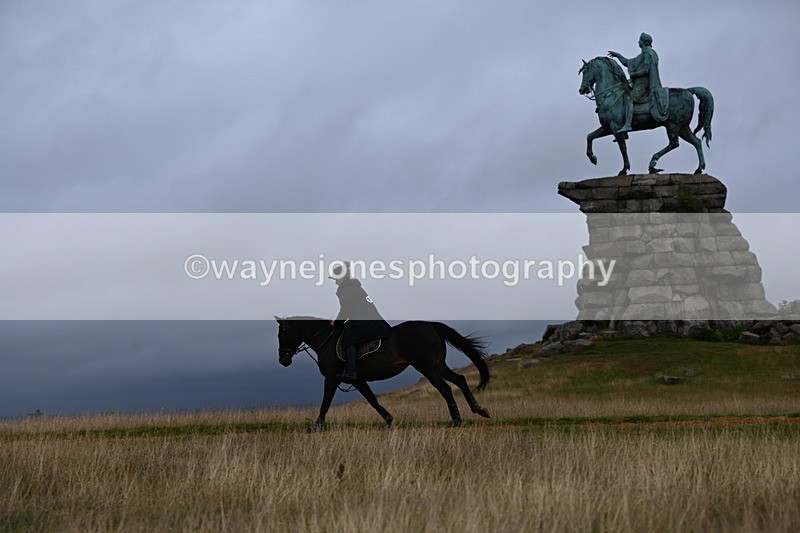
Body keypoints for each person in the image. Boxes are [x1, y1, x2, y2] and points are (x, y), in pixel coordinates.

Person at [329, 262, 392, 380]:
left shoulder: (346, 289)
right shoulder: (354, 287)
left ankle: (351, 372)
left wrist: (336, 322)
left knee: (348, 338)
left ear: (342, 277)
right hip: (372, 319)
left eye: (336, 279)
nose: (335, 281)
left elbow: (346, 310)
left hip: (364, 321)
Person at [608, 32, 669, 133]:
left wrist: (634, 74)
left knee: (629, 99)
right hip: (639, 84)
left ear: (644, 42)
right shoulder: (642, 54)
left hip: (644, 85)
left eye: (639, 40)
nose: (638, 42)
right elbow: (628, 62)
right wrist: (618, 56)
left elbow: (646, 70)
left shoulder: (649, 53)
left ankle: (628, 125)